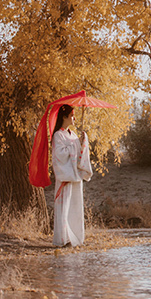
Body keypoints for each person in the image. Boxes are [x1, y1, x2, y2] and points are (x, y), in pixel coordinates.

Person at [51, 104, 93, 247]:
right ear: (64, 117)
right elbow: (59, 155)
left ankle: (75, 237)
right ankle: (64, 239)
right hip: (66, 176)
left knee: (74, 209)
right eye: (72, 115)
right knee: (64, 208)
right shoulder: (58, 135)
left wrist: (82, 142)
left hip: (75, 177)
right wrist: (75, 146)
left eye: (74, 115)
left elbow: (79, 153)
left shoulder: (73, 134)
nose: (74, 118)